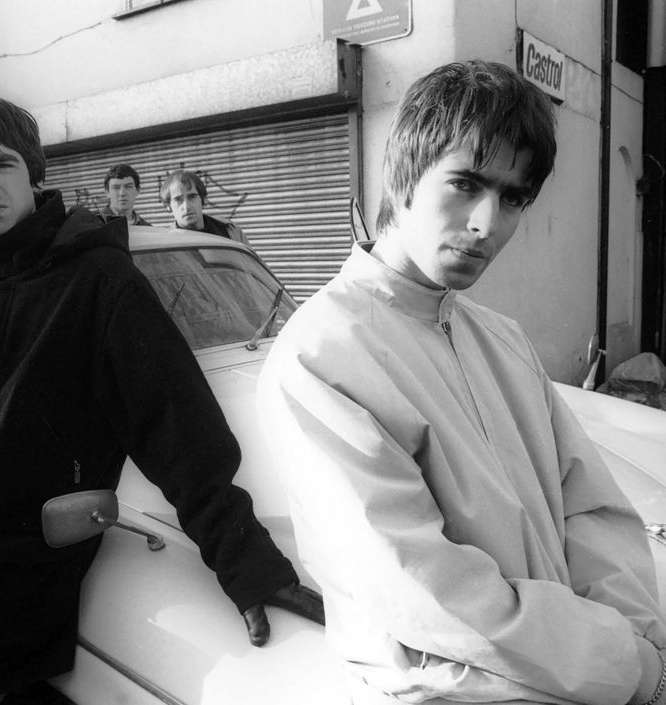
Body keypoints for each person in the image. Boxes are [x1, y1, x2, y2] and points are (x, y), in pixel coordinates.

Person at [0, 92, 323, 705]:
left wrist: (246, 561)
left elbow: (177, 425)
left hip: (10, 600)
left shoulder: (99, 284)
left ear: (33, 173)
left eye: (1, 164)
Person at [257, 60, 666, 704]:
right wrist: (627, 665)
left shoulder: (501, 337)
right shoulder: (321, 355)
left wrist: (633, 638)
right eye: (466, 183)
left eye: (513, 198)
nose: (486, 224)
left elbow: (590, 507)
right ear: (403, 175)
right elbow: (424, 591)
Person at [159, 169, 249, 245]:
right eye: (178, 200)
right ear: (168, 206)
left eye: (192, 197)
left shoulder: (230, 230)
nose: (186, 206)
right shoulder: (166, 244)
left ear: (203, 200)